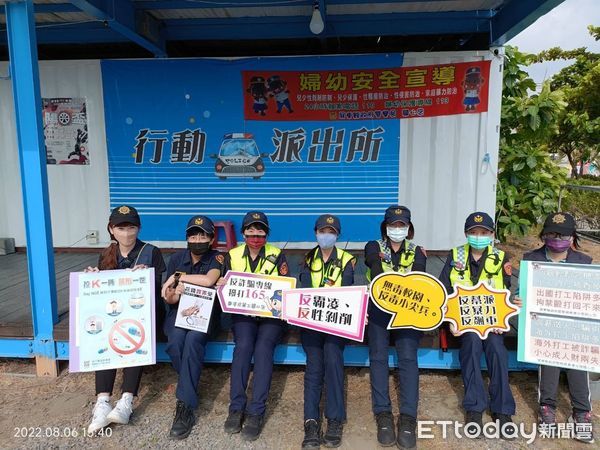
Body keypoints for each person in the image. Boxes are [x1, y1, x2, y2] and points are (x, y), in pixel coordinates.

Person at [84, 205, 165, 435]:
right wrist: (92, 279)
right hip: (115, 315)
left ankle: (127, 400)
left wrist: (144, 276)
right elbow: (102, 293)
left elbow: (160, 290)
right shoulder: (106, 254)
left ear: (138, 228)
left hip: (145, 314)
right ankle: (102, 401)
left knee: (134, 332)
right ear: (111, 230)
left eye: (131, 227)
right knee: (105, 336)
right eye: (121, 227)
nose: (127, 233)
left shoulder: (151, 251)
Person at [438, 212, 516, 439]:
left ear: (492, 234)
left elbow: (505, 292)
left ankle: (502, 410)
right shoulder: (455, 255)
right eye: (474, 232)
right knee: (471, 345)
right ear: (466, 233)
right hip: (464, 324)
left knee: (497, 350)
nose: (478, 236)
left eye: (484, 233)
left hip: (492, 324)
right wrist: (451, 320)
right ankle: (474, 407)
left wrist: (501, 321)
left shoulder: (501, 257)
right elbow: (444, 291)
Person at [519, 212, 594, 444]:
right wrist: (519, 299)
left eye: (562, 234)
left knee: (577, 357)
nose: (557, 238)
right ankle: (547, 408)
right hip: (542, 324)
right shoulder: (530, 259)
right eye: (551, 233)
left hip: (574, 326)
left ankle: (581, 413)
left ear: (572, 237)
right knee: (549, 356)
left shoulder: (585, 263)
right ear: (543, 235)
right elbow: (521, 293)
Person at [221, 211, 290, 441]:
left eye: (260, 232)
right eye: (251, 231)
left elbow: (286, 289)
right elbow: (225, 286)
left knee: (263, 350)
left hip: (271, 316)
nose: (255, 236)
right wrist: (223, 283)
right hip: (243, 315)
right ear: (243, 233)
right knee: (243, 348)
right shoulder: (232, 255)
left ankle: (256, 411)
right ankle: (236, 407)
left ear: (267, 235)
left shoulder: (277, 254)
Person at [364, 206, 427, 449]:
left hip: (408, 313)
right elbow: (375, 268)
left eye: (402, 225)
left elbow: (419, 279)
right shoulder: (373, 246)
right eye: (393, 225)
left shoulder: (417, 251)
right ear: (385, 227)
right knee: (378, 358)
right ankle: (383, 415)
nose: (398, 229)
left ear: (409, 228)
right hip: (379, 311)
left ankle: (409, 418)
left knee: (408, 359)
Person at [161, 215, 223, 439]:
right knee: (176, 342)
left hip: (205, 317)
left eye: (203, 235)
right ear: (187, 237)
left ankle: (185, 407)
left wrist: (180, 278)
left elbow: (208, 280)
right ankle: (188, 383)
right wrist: (171, 293)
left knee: (194, 340)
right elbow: (171, 299)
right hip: (178, 314)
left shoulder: (218, 258)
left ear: (211, 238)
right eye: (193, 234)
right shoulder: (177, 257)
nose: (198, 239)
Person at [298, 215, 356, 449]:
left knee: (333, 358)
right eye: (322, 230)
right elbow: (301, 291)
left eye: (331, 231)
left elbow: (348, 294)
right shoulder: (306, 259)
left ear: (338, 235)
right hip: (311, 324)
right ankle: (311, 422)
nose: (326, 235)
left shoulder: (348, 260)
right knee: (314, 366)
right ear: (315, 233)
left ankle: (334, 419)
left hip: (335, 324)